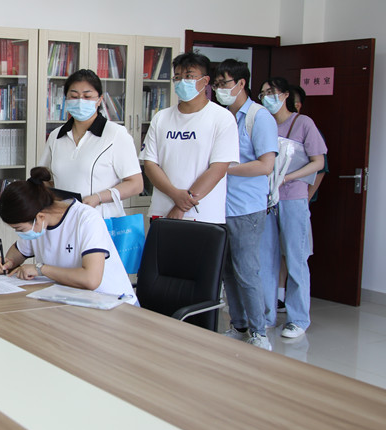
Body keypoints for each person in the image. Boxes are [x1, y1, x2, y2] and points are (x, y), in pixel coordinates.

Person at [0, 167, 135, 300]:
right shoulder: (39, 223)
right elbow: (18, 252)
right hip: (71, 299)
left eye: (20, 229)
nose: (20, 233)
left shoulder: (86, 219)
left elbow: (91, 279)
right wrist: (7, 262)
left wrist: (40, 269)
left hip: (111, 302)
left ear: (39, 217)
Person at [213, 59, 278, 350]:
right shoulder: (223, 116)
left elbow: (265, 165)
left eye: (224, 83)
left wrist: (224, 168)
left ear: (241, 83)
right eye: (216, 84)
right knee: (227, 270)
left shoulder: (259, 117)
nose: (219, 89)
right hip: (221, 207)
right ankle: (238, 324)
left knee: (246, 271)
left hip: (246, 208)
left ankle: (259, 331)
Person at [258, 77, 327, 338]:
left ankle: (298, 319)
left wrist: (288, 178)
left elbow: (318, 162)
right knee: (266, 258)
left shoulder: (303, 123)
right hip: (266, 200)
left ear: (285, 95)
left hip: (293, 197)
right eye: (263, 93)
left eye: (271, 92)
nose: (267, 97)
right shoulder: (263, 123)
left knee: (296, 259)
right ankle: (266, 315)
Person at [140, 52, 239, 223]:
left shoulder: (222, 118)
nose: (182, 81)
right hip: (162, 211)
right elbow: (150, 164)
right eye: (178, 77)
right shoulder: (161, 117)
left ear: (205, 81)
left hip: (203, 215)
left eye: (189, 76)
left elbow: (218, 169)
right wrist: (175, 195)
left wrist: (181, 206)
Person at [39, 69, 142, 217]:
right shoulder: (56, 136)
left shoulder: (116, 134)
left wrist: (99, 197)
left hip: (101, 218)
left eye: (87, 96)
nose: (80, 101)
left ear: (99, 100)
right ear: (66, 99)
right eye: (74, 96)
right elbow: (48, 180)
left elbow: (136, 184)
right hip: (64, 218)